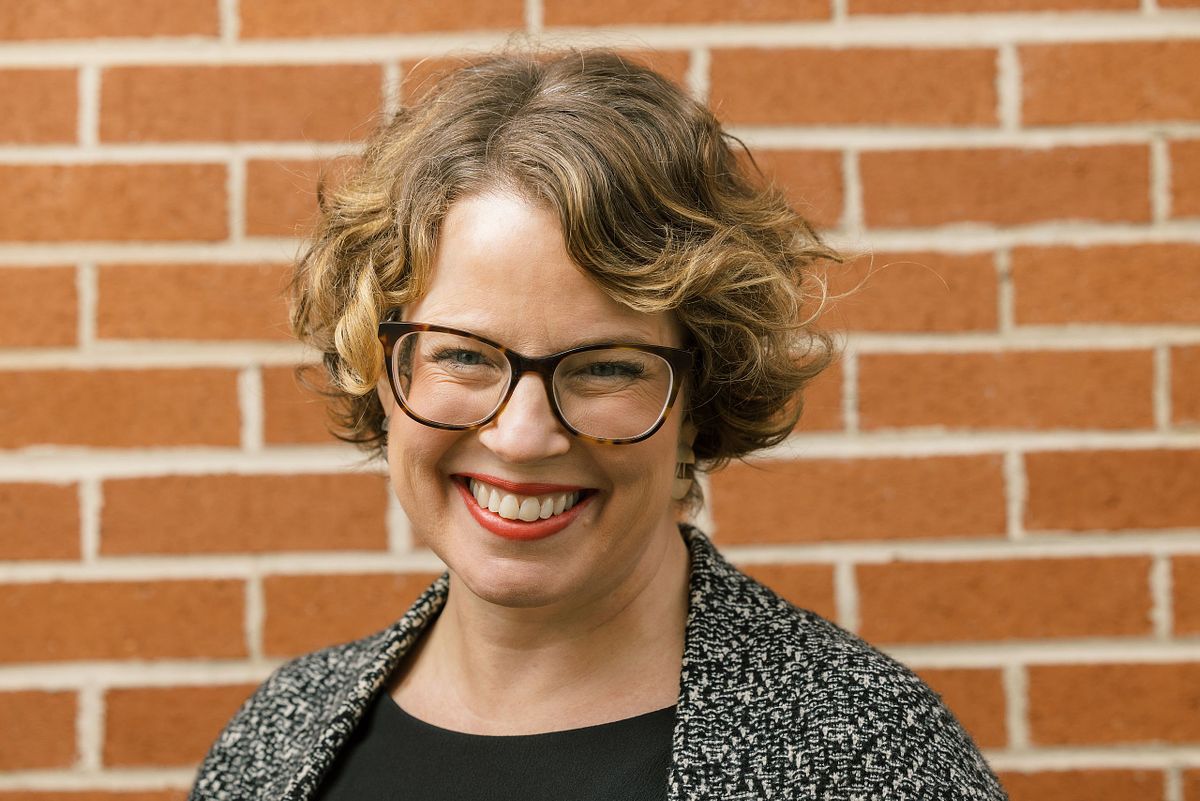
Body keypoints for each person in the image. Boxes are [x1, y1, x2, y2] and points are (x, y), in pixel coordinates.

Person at [188, 48, 1008, 801]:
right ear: (380, 363)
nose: (522, 437)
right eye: (463, 355)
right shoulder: (278, 739)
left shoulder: (869, 758)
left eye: (606, 367)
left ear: (699, 398)